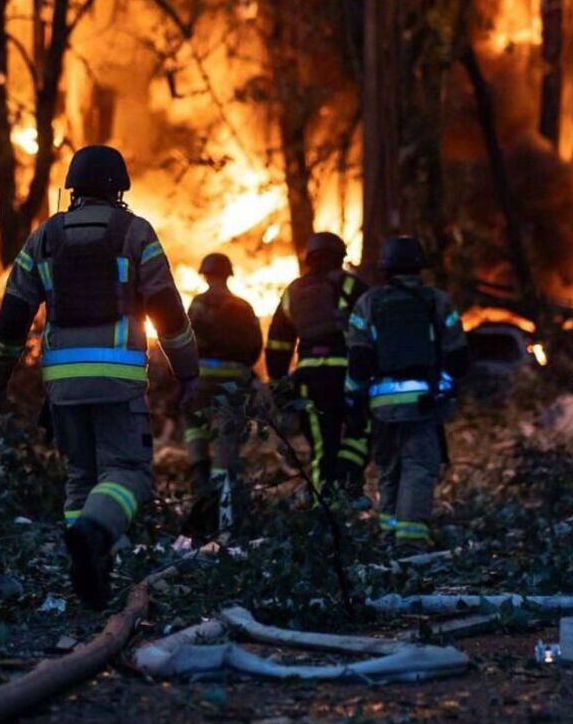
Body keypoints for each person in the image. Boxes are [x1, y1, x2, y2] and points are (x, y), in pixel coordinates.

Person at [0, 145, 199, 608]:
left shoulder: (45, 237)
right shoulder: (135, 233)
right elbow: (168, 310)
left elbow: (13, 317)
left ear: (72, 188)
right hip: (117, 380)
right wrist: (187, 372)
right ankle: (95, 536)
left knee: (81, 477)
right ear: (120, 188)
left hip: (63, 383)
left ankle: (90, 577)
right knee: (130, 473)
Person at [346, 236, 468, 548]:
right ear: (419, 266)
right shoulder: (437, 301)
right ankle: (410, 540)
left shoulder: (368, 303)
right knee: (419, 465)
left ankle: (388, 532)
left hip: (382, 404)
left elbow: (359, 360)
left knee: (388, 467)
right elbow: (457, 355)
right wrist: (446, 388)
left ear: (385, 268)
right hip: (422, 402)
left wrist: (353, 399)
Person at [265, 232, 371, 507]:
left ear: (309, 257)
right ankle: (344, 483)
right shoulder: (352, 284)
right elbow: (373, 328)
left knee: (322, 445)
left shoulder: (294, 291)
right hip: (348, 375)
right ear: (340, 257)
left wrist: (279, 383)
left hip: (309, 378)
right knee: (361, 430)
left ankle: (325, 505)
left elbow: (278, 342)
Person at [179, 253, 263, 540]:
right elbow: (255, 346)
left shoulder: (198, 305)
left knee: (195, 430)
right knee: (227, 443)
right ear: (229, 275)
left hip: (200, 381)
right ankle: (222, 511)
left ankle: (200, 483)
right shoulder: (244, 307)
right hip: (234, 383)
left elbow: (184, 340)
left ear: (204, 275)